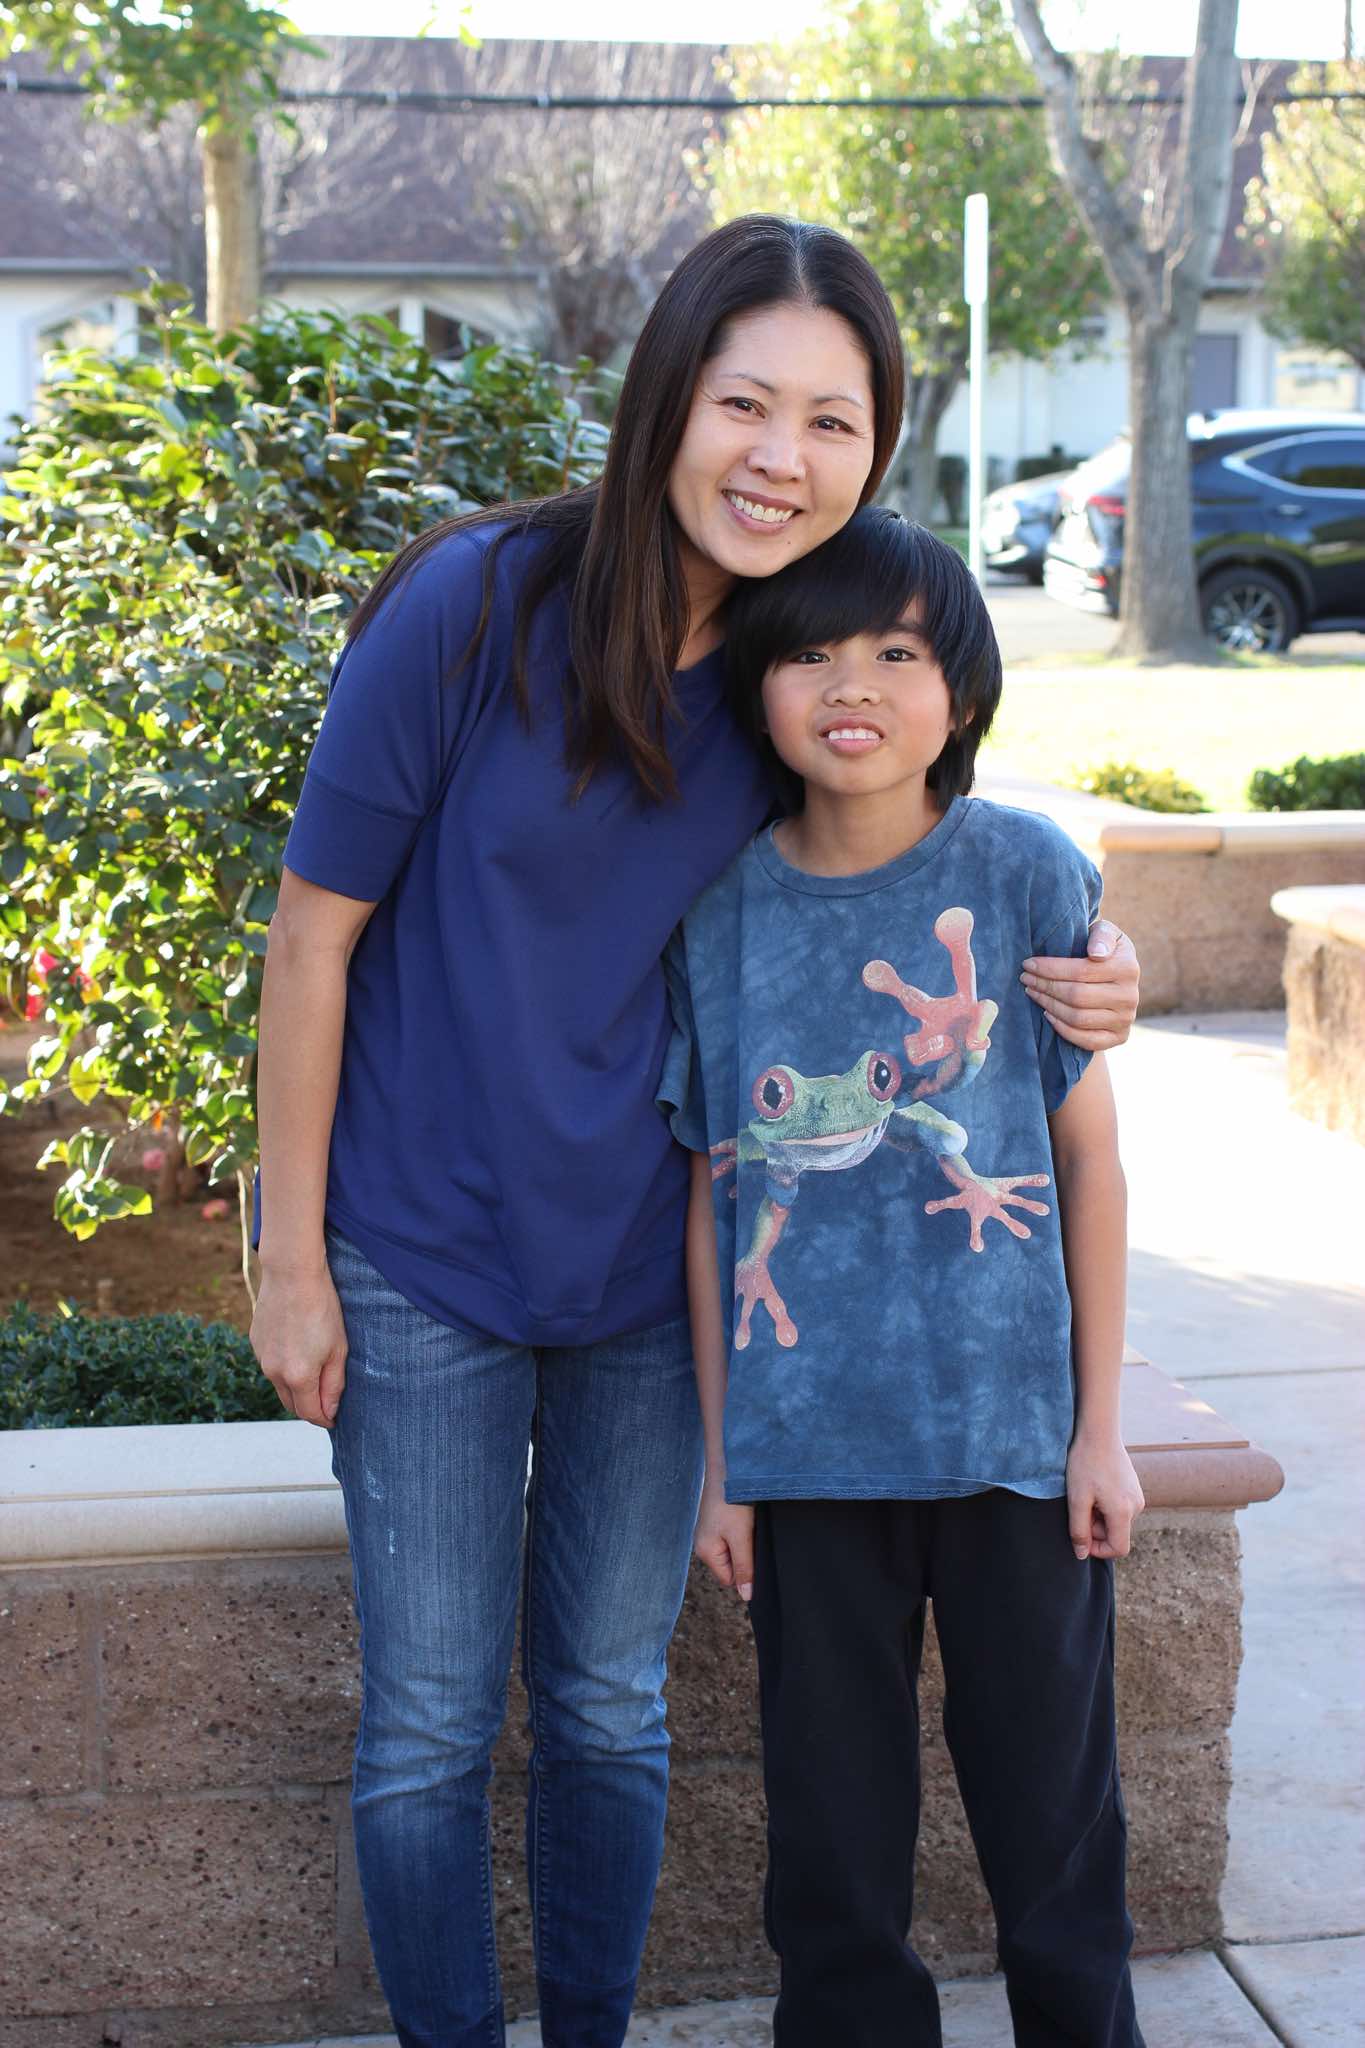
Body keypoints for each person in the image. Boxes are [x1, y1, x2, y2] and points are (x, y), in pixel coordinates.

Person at [249, 217, 1142, 2048]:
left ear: (875, 449)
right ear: (667, 398)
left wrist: (1086, 963)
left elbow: (919, 848)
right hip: (422, 1252)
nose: (778, 457)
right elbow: (311, 939)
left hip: (658, 1280)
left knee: (606, 1706)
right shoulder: (474, 607)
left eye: (832, 421)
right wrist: (287, 1255)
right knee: (427, 1722)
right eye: (745, 402)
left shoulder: (790, 666)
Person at [663, 506, 1146, 2048]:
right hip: (808, 1456)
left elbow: (1087, 1165)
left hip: (1010, 1443)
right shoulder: (719, 914)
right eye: (807, 653)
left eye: (893, 650)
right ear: (756, 689)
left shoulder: (1022, 872)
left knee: (1053, 1821)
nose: (850, 684)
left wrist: (1098, 1431)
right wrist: (725, 1464)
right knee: (830, 1845)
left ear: (961, 689)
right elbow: (715, 1201)